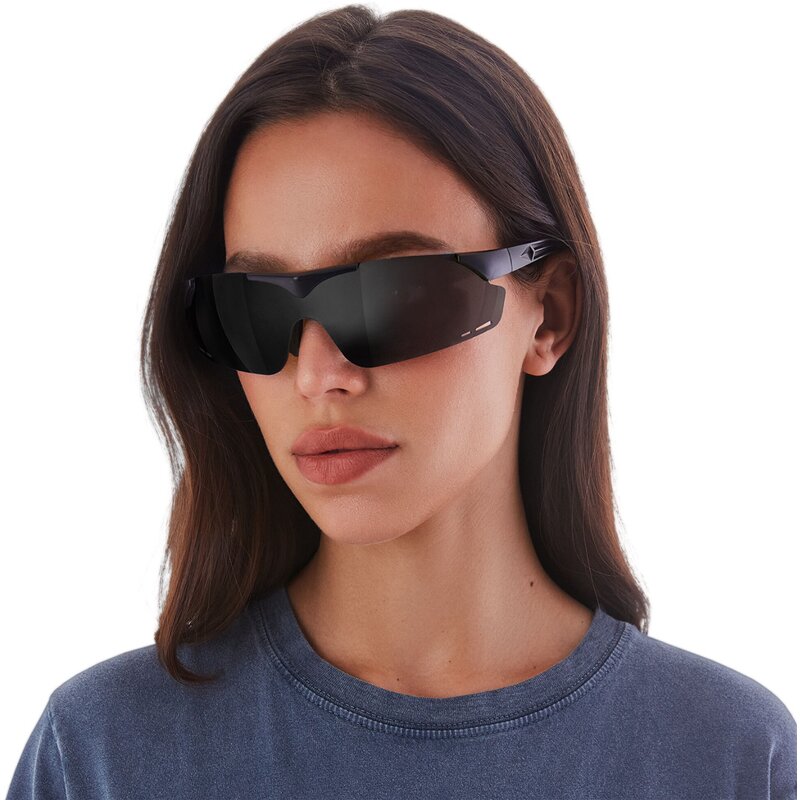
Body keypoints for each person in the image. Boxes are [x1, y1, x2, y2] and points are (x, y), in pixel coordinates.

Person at [7, 5, 796, 799]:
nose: (319, 375)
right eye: (255, 308)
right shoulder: (100, 757)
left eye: (387, 295)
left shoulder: (729, 758)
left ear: (549, 315)